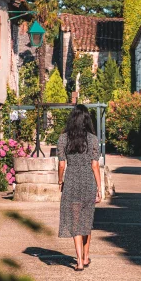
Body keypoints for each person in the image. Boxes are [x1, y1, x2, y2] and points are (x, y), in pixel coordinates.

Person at [56, 104, 102, 271]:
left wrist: (60, 181)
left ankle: (79, 261)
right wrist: (99, 187)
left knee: (76, 222)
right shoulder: (92, 139)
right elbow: (95, 165)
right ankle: (86, 256)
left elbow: (62, 164)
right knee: (87, 220)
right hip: (88, 182)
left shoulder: (63, 138)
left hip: (72, 181)